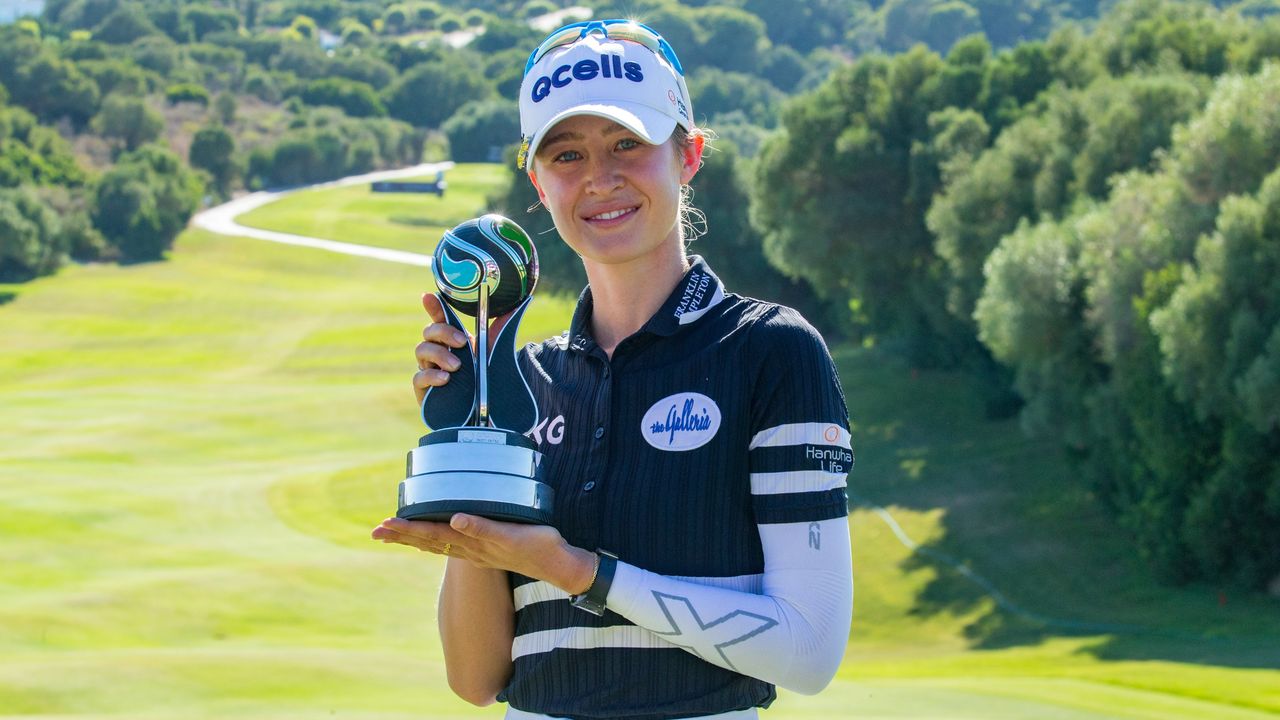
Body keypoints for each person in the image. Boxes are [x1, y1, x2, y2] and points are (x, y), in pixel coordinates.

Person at [372, 20, 854, 720]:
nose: (600, 178)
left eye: (628, 143)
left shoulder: (770, 351)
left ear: (687, 155)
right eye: (566, 154)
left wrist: (579, 573)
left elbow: (810, 652)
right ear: (538, 184)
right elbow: (476, 678)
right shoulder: (522, 387)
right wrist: (468, 477)